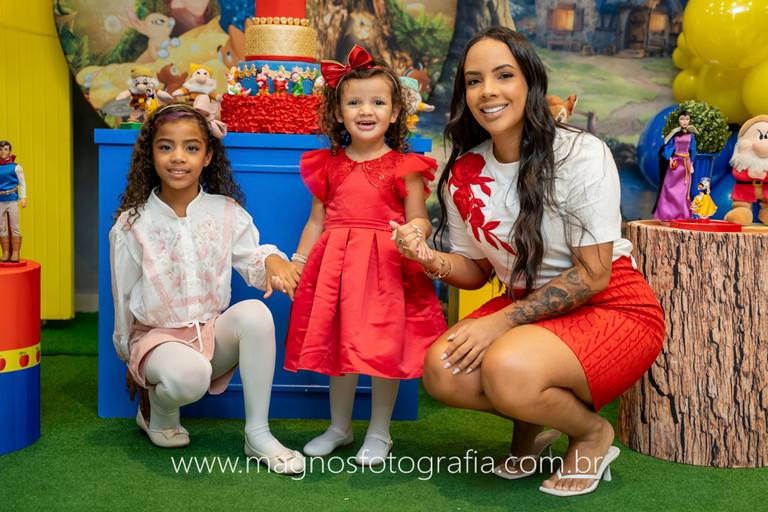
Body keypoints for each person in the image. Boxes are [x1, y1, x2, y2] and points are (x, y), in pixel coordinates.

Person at [391, 27, 664, 497]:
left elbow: (594, 275)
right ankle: (534, 422)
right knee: (442, 370)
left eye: (504, 75)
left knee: (507, 367)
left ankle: (591, 433)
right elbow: (476, 270)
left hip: (611, 304)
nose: (487, 91)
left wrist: (500, 323)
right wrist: (428, 257)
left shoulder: (581, 153)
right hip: (529, 311)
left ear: (530, 82)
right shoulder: (464, 172)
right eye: (473, 81)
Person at [109, 103, 304, 474]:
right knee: (190, 375)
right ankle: (157, 411)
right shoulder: (133, 224)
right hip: (157, 341)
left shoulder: (225, 211)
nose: (178, 157)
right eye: (165, 147)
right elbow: (123, 297)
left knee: (256, 314)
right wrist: (130, 360)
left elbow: (253, 259)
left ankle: (258, 434)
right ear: (151, 154)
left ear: (208, 155)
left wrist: (272, 262)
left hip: (209, 334)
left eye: (191, 147)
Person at [283, 45, 446, 466]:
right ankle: (340, 427)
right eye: (354, 103)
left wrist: (414, 233)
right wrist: (298, 264)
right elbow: (316, 221)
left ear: (395, 112)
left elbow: (419, 218)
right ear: (338, 114)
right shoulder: (327, 164)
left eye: (378, 102)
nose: (366, 110)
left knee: (381, 348)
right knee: (341, 348)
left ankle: (379, 432)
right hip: (337, 269)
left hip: (385, 269)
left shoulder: (405, 166)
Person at [653, 109, 699, 221]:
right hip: (675, 164)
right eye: (682, 119)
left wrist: (691, 163)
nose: (684, 121)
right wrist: (669, 158)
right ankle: (667, 213)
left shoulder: (691, 136)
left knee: (683, 191)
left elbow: (693, 150)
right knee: (670, 188)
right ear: (678, 120)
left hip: (685, 165)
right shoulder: (675, 134)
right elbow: (668, 146)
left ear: (690, 121)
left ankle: (682, 215)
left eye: (687, 119)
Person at [0, 140, 26, 263]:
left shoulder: (16, 167)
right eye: (0, 149)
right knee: (1, 227)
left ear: (10, 152)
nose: (3, 152)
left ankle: (15, 252)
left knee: (15, 225)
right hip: (0, 200)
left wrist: (23, 197)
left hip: (12, 200)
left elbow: (22, 183)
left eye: (5, 149)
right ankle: (5, 252)